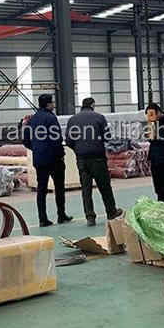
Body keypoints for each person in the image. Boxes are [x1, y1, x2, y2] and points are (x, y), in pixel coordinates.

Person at [66, 97, 122, 227]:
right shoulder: (99, 117)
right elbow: (107, 137)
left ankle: (90, 217)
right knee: (104, 187)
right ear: (92, 105)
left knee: (86, 189)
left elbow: (68, 141)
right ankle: (111, 212)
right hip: (98, 158)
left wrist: (78, 149)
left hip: (82, 159)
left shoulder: (72, 120)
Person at [22, 94, 72, 228]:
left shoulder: (32, 120)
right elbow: (57, 139)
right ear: (48, 104)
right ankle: (61, 215)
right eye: (52, 103)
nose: (53, 105)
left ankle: (43, 219)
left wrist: (37, 149)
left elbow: (25, 141)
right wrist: (60, 154)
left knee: (41, 190)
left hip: (40, 160)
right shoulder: (51, 118)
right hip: (54, 159)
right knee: (59, 188)